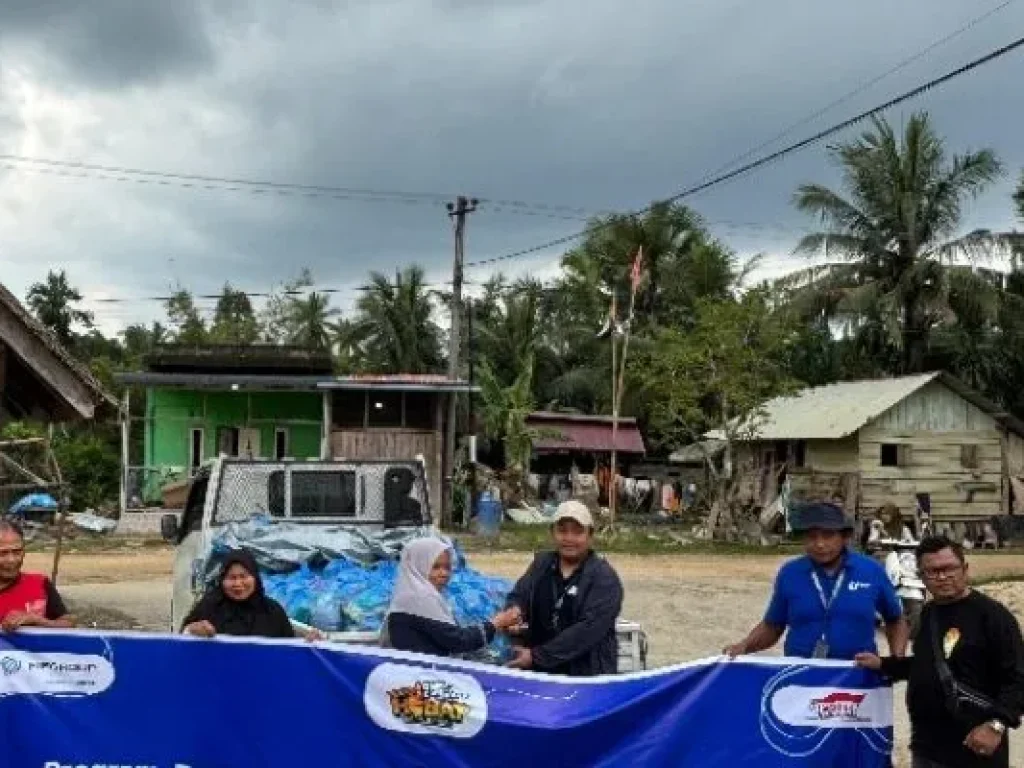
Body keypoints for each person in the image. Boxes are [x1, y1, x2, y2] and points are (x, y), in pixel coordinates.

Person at [857, 536, 1024, 768]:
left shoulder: (993, 616)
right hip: (927, 747)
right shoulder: (929, 614)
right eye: (932, 572)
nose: (942, 577)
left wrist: (996, 724)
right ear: (922, 577)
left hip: (974, 747)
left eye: (949, 569)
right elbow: (926, 665)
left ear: (965, 569)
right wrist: (884, 665)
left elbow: (1017, 678)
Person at [724, 501, 907, 660]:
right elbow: (773, 625)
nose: (819, 544)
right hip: (803, 678)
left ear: (845, 538)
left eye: (828, 535)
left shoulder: (870, 571)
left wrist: (896, 661)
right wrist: (744, 646)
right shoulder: (790, 573)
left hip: (856, 678)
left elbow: (895, 620)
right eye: (812, 536)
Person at [504, 500, 623, 676]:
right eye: (562, 530)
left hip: (586, 676)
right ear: (552, 533)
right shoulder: (542, 564)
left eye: (577, 532)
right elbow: (519, 594)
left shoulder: (604, 578)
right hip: (540, 673)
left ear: (590, 535)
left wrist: (536, 656)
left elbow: (586, 631)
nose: (569, 539)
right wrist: (515, 612)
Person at [383, 537, 520, 657]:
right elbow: (458, 641)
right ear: (418, 566)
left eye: (447, 567)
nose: (444, 574)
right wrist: (495, 623)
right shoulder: (420, 598)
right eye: (435, 567)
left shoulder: (409, 593)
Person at [181, 550, 301, 639]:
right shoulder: (208, 607)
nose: (238, 583)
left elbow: (290, 649)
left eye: (244, 576)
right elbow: (181, 642)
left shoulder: (273, 611)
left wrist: (309, 643)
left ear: (255, 577)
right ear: (221, 580)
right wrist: (192, 630)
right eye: (231, 577)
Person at [0, 519, 74, 632]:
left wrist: (37, 620)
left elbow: (69, 623)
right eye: (3, 553)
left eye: (17, 552)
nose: (11, 560)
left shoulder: (40, 583)